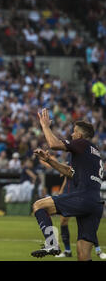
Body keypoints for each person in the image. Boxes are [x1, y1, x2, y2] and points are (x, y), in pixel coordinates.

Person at [31, 109, 104, 261]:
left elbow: (53, 143)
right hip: (95, 204)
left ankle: (51, 243)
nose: (72, 134)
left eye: (74, 132)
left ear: (80, 135)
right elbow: (71, 173)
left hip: (83, 198)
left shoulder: (81, 144)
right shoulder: (95, 152)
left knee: (39, 206)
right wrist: (49, 160)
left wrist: (45, 125)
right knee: (83, 255)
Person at [37, 152, 106, 259]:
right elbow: (67, 175)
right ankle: (68, 250)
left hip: (80, 195)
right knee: (64, 221)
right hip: (70, 194)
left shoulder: (84, 159)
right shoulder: (73, 157)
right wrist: (61, 192)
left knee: (87, 222)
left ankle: (98, 249)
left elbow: (70, 172)